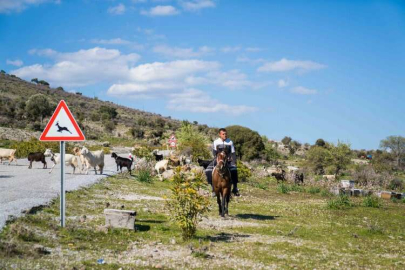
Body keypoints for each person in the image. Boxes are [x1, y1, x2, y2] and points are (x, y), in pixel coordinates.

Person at [205, 128, 240, 196]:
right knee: (208, 170)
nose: (225, 135)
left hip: (228, 160)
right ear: (220, 134)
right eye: (223, 134)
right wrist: (217, 159)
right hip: (219, 160)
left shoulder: (230, 142)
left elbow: (233, 153)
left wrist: (234, 161)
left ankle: (235, 188)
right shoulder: (216, 142)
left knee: (234, 170)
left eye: (226, 134)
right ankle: (213, 188)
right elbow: (214, 152)